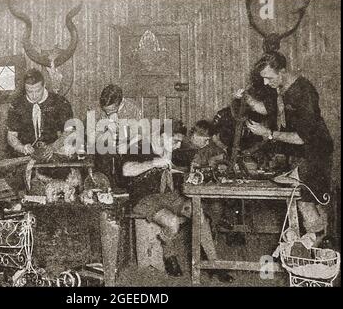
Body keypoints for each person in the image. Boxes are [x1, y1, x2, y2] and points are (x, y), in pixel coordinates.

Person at [122, 119, 234, 282]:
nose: (176, 146)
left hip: (167, 195)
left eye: (178, 142)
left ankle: (213, 264)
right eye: (174, 141)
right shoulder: (141, 146)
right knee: (172, 223)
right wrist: (153, 162)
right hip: (144, 198)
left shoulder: (172, 148)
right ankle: (169, 254)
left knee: (198, 213)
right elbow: (126, 170)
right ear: (162, 135)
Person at [243, 52, 334, 244]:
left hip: (314, 153)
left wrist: (267, 133)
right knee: (301, 201)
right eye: (263, 78)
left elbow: (302, 138)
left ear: (283, 71)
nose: (266, 83)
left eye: (269, 77)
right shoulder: (282, 88)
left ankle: (312, 255)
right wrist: (247, 98)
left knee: (306, 203)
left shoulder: (304, 93)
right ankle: (314, 248)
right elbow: (266, 109)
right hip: (299, 154)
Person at [5, 68, 74, 188]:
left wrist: (54, 146)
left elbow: (69, 131)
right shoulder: (17, 105)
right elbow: (11, 136)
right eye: (29, 91)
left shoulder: (59, 102)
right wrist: (21, 147)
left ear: (44, 85)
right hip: (27, 157)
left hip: (53, 156)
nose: (33, 95)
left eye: (37, 91)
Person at [90, 84, 143, 188]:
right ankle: (105, 189)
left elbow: (140, 134)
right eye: (105, 110)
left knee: (133, 154)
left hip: (128, 143)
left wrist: (127, 145)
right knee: (102, 154)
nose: (108, 113)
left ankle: (125, 189)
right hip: (104, 145)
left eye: (111, 110)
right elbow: (91, 137)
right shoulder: (95, 107)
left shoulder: (133, 108)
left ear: (121, 102)